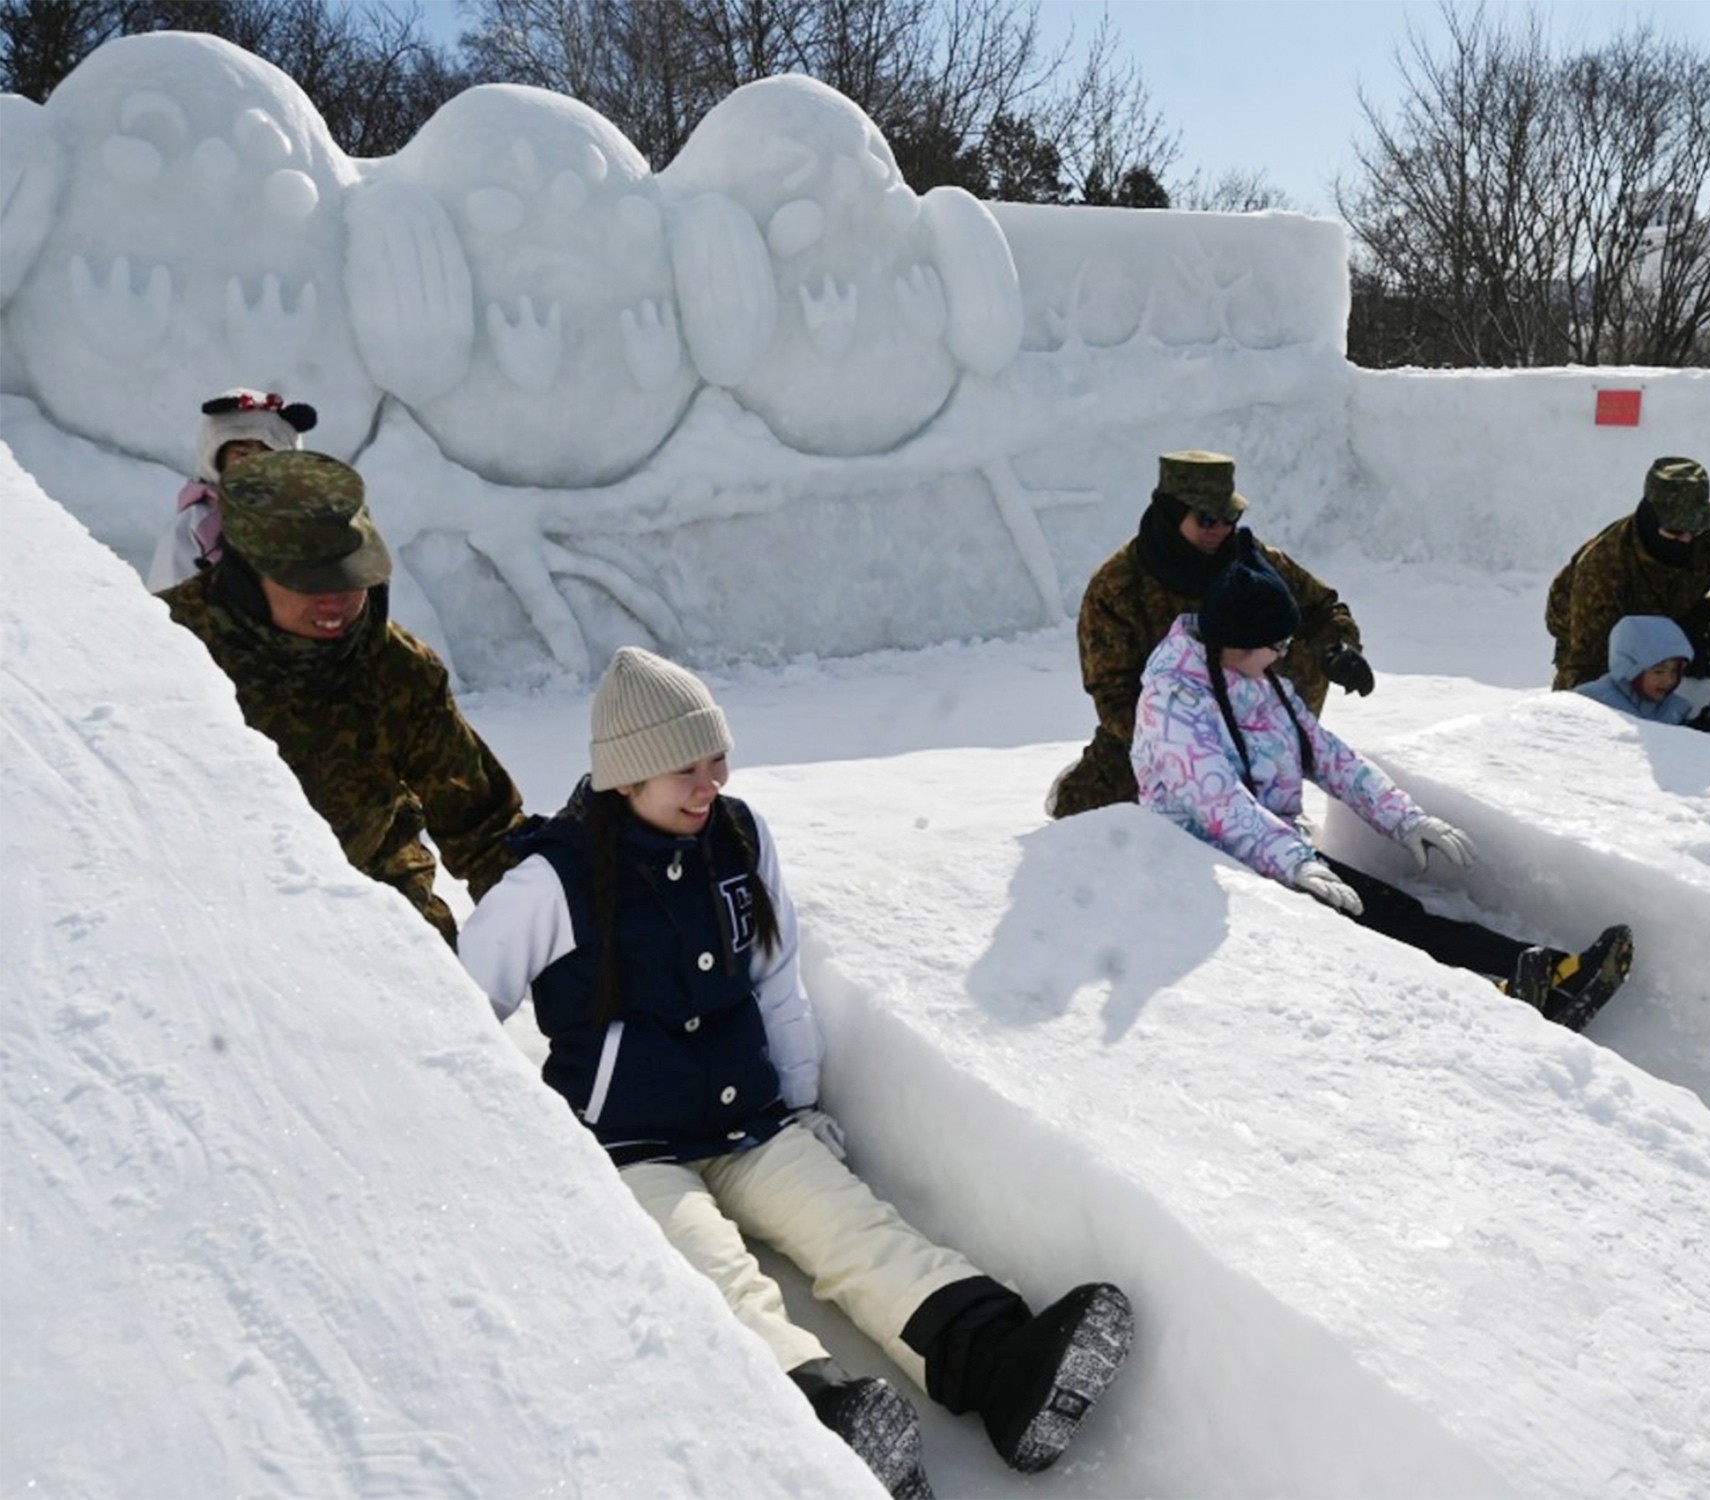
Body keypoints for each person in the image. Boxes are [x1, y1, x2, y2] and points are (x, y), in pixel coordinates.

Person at [459, 648, 1133, 1499]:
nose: (709, 785)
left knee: (857, 1231)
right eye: (684, 771)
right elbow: (459, 1005)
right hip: (630, 1147)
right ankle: (816, 1420)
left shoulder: (737, 835)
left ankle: (1002, 1365)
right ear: (626, 776)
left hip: (750, 1121)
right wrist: (515, 1156)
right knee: (714, 1278)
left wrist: (801, 1101)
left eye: (717, 761)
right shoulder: (554, 880)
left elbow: (776, 975)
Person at [1131, 535, 1634, 1030]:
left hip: (1275, 855)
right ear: (1238, 640)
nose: (1284, 655)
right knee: (1385, 927)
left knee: (1398, 912)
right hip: (1211, 867)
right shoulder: (1173, 702)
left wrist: (1406, 820)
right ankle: (1519, 992)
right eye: (1277, 644)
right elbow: (1218, 802)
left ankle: (1545, 971)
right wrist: (1295, 862)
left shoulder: (1261, 687)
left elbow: (1332, 758)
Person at [158, 450, 524, 944]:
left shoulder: (399, 669)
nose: (336, 600)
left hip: (378, 907)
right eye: (310, 582)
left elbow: (485, 830)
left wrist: (559, 937)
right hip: (215, 919)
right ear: (247, 572)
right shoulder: (165, 649)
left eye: (349, 577)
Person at [1049, 448, 1374, 819]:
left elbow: (1323, 609)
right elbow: (1114, 696)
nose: (1221, 529)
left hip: (1258, 723)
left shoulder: (1254, 564)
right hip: (1164, 736)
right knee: (1090, 822)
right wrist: (1195, 740)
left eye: (1230, 516)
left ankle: (1268, 788)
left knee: (1300, 648)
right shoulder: (1117, 586)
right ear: (1171, 516)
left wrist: (1340, 650)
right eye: (1206, 519)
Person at [1546, 456, 1710, 692]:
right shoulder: (1603, 568)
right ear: (1650, 521)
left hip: (1675, 609)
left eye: (1694, 530)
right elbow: (1586, 667)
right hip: (1594, 629)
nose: (1686, 539)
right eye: (1674, 531)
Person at [146, 388, 318, 591]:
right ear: (217, 457)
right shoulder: (196, 523)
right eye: (241, 453)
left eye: (267, 459)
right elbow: (168, 591)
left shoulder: (302, 520)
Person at [1576, 615, 1710, 734]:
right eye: (1659, 671)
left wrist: (1703, 727)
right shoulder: (1593, 701)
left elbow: (1677, 747)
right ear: (1631, 669)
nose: (1669, 679)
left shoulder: (1671, 709)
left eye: (1675, 671)